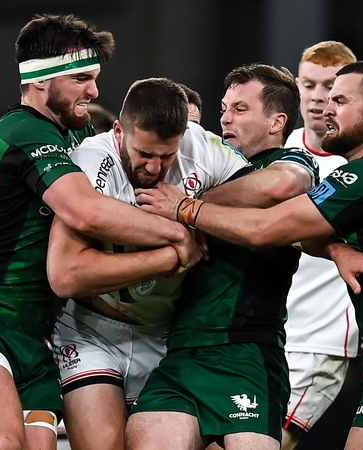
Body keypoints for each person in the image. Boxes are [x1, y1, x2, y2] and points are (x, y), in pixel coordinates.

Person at [136, 61, 363, 450]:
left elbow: (266, 229)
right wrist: (337, 250)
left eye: (340, 100)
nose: (325, 108)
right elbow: (312, 231)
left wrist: (185, 208)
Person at [0, 14, 200, 450]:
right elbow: (85, 211)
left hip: (36, 341)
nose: (94, 91)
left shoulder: (80, 133)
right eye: (82, 78)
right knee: (2, 442)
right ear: (41, 79)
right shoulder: (22, 129)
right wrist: (179, 230)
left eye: (95, 78)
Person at [46, 77, 249, 450]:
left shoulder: (201, 146)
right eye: (144, 154)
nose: (154, 168)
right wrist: (171, 251)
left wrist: (197, 209)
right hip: (92, 331)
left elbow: (270, 187)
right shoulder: (91, 162)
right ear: (119, 130)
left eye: (166, 156)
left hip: (166, 335)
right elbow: (66, 275)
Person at [125, 64, 320, 450]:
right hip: (179, 351)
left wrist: (186, 207)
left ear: (277, 121)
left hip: (246, 353)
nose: (226, 118)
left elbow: (279, 186)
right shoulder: (207, 167)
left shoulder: (292, 165)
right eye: (225, 108)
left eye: (241, 109)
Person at [281, 40, 359, 450]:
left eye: (330, 87)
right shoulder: (274, 152)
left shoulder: (362, 165)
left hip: (319, 343)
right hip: (260, 335)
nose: (317, 97)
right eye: (309, 85)